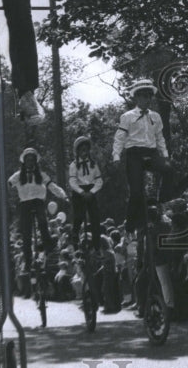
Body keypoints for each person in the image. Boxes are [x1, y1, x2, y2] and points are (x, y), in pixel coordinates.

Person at [0, 147, 67, 280]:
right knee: (26, 232)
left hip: (39, 202)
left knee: (43, 222)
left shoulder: (41, 174)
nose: (30, 162)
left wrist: (63, 195)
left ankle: (48, 246)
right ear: (24, 162)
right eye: (28, 159)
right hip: (25, 204)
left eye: (32, 159)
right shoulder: (18, 175)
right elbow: (4, 184)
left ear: (36, 162)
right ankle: (28, 261)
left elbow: (52, 186)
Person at [113, 79, 170, 233]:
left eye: (149, 96)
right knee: (136, 191)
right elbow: (120, 137)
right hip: (134, 154)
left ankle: (160, 203)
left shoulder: (156, 116)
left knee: (168, 170)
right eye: (143, 96)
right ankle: (131, 225)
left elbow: (160, 137)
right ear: (137, 98)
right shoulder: (127, 116)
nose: (147, 99)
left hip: (151, 152)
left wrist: (165, 155)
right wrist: (117, 156)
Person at [68, 135, 104, 249]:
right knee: (79, 215)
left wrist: (92, 192)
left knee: (95, 218)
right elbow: (72, 181)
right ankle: (75, 234)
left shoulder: (93, 164)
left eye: (86, 149)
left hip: (91, 191)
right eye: (81, 149)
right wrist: (81, 192)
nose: (84, 152)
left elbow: (99, 180)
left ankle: (96, 244)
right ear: (77, 151)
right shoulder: (73, 165)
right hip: (79, 192)